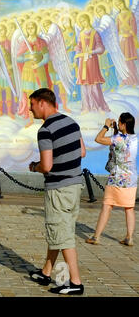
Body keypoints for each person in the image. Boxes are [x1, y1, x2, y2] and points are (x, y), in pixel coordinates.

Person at [27, 88, 86, 295]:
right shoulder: (72, 122)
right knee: (61, 229)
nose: (30, 109)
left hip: (58, 188)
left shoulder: (45, 130)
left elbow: (47, 165)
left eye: (32, 104)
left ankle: (75, 282)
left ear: (42, 103)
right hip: (75, 185)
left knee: (62, 235)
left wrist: (35, 166)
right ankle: (46, 272)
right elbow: (83, 151)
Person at [86, 113, 137, 246]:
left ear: (124, 124)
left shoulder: (118, 138)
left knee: (107, 206)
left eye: (119, 122)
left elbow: (98, 139)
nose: (118, 124)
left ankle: (96, 237)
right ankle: (129, 237)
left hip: (117, 177)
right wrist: (116, 130)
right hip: (131, 178)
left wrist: (106, 126)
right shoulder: (135, 138)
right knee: (129, 208)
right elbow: (120, 148)